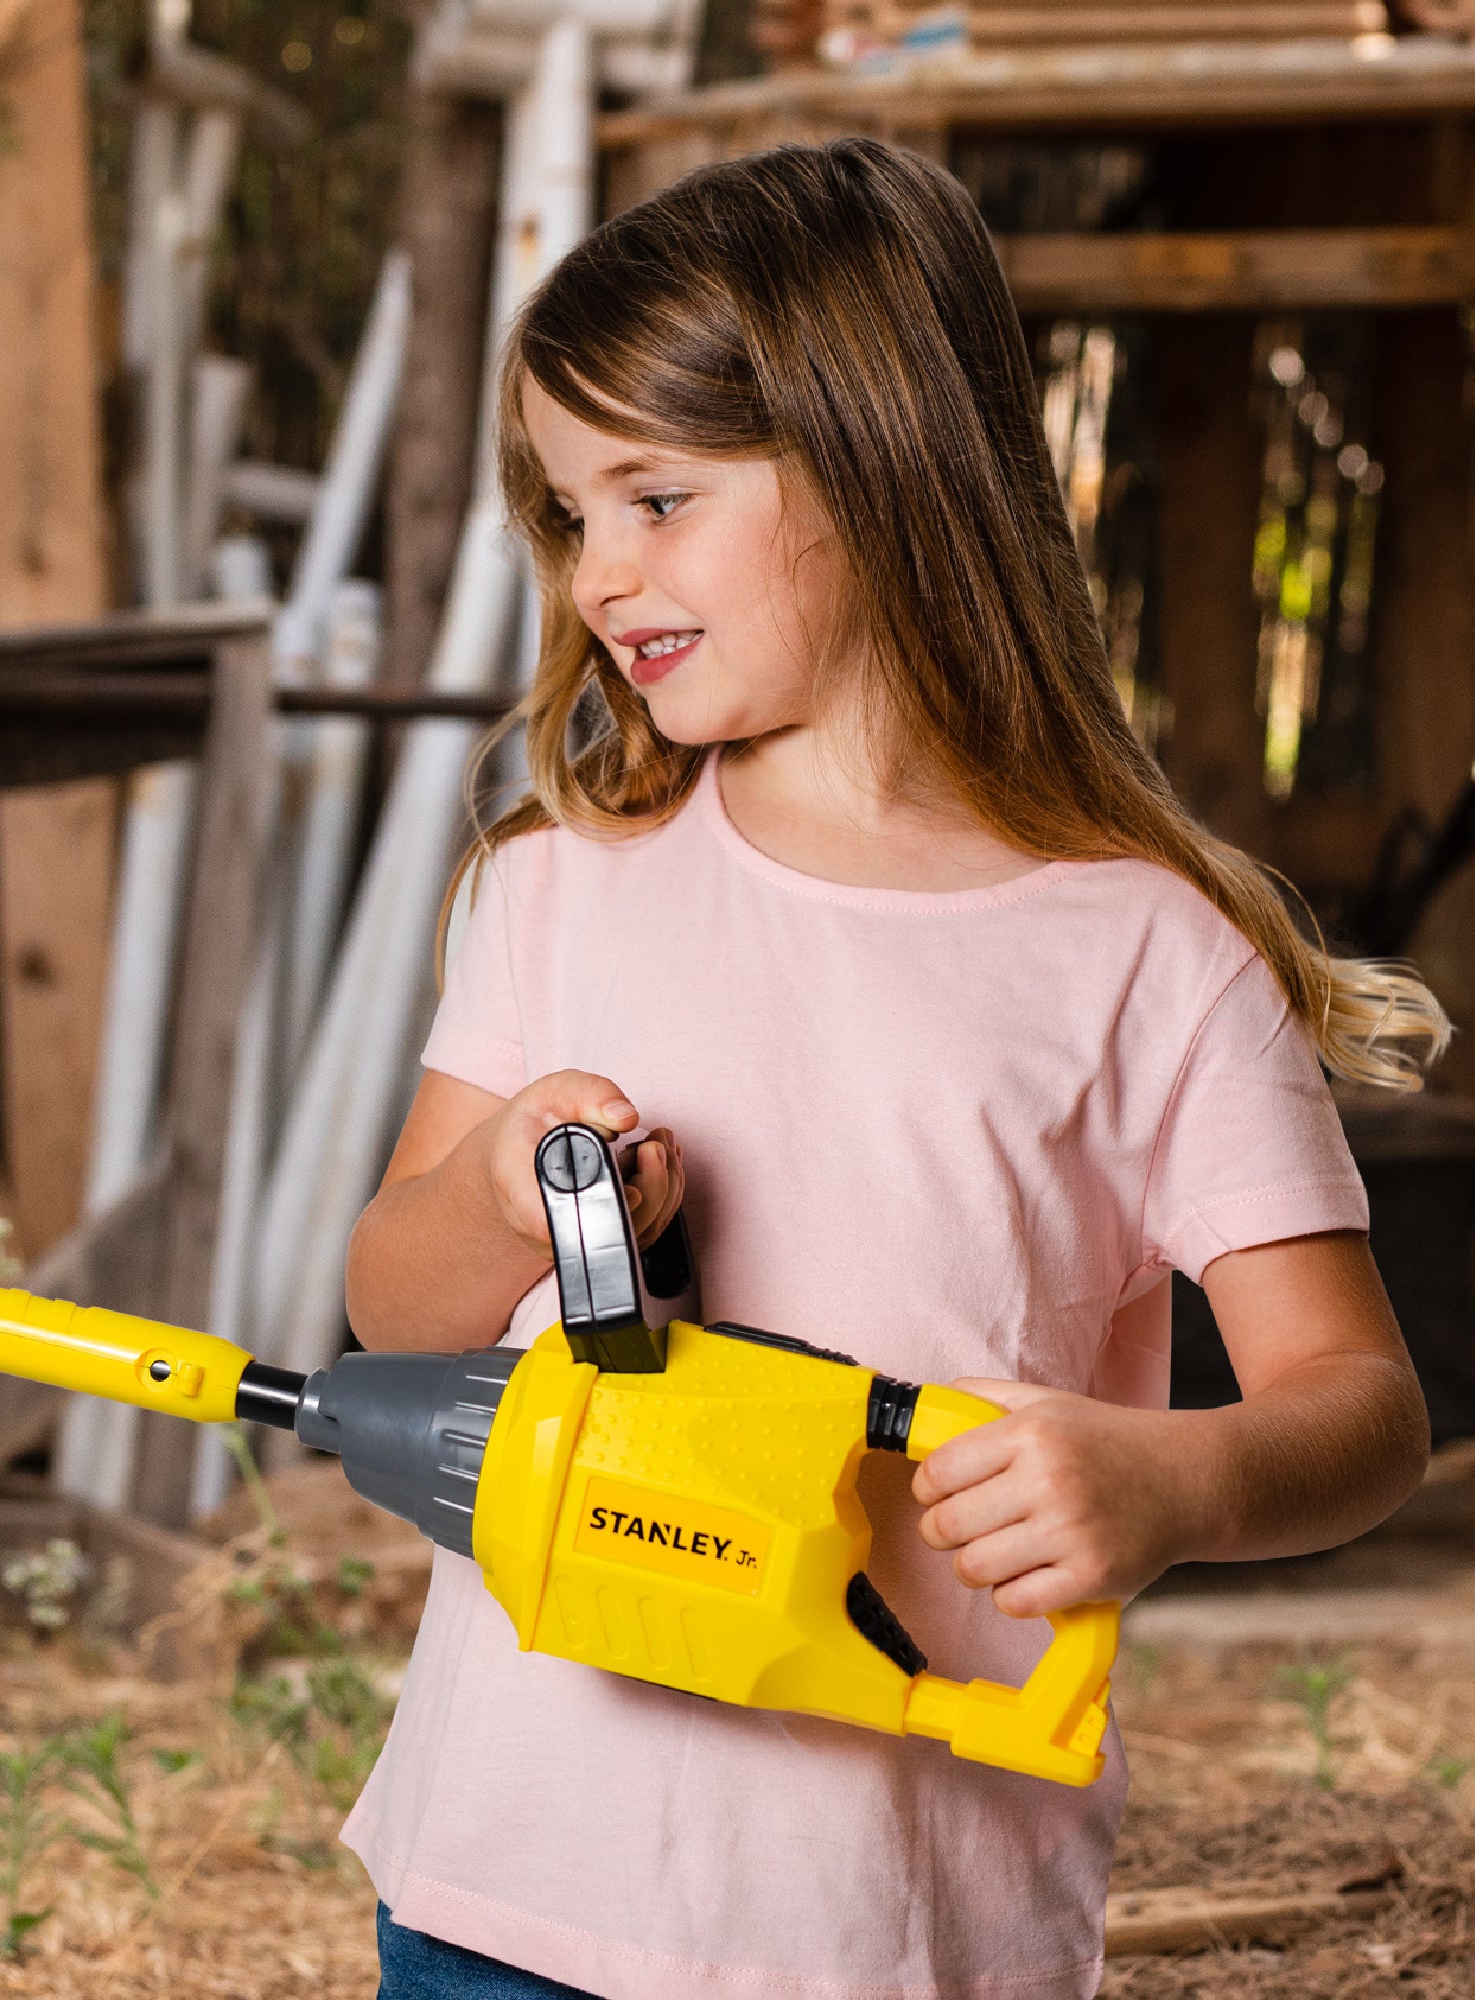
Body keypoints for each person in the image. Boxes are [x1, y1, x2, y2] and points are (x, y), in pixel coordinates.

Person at [340, 139, 1444, 2000]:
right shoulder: (556, 890)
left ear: (876, 451)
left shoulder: (1144, 957)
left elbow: (1360, 1407)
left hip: (891, 1931)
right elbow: (393, 1308)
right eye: (567, 513)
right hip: (505, 1886)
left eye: (657, 497)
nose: (600, 574)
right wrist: (492, 1201)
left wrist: (1174, 1484)